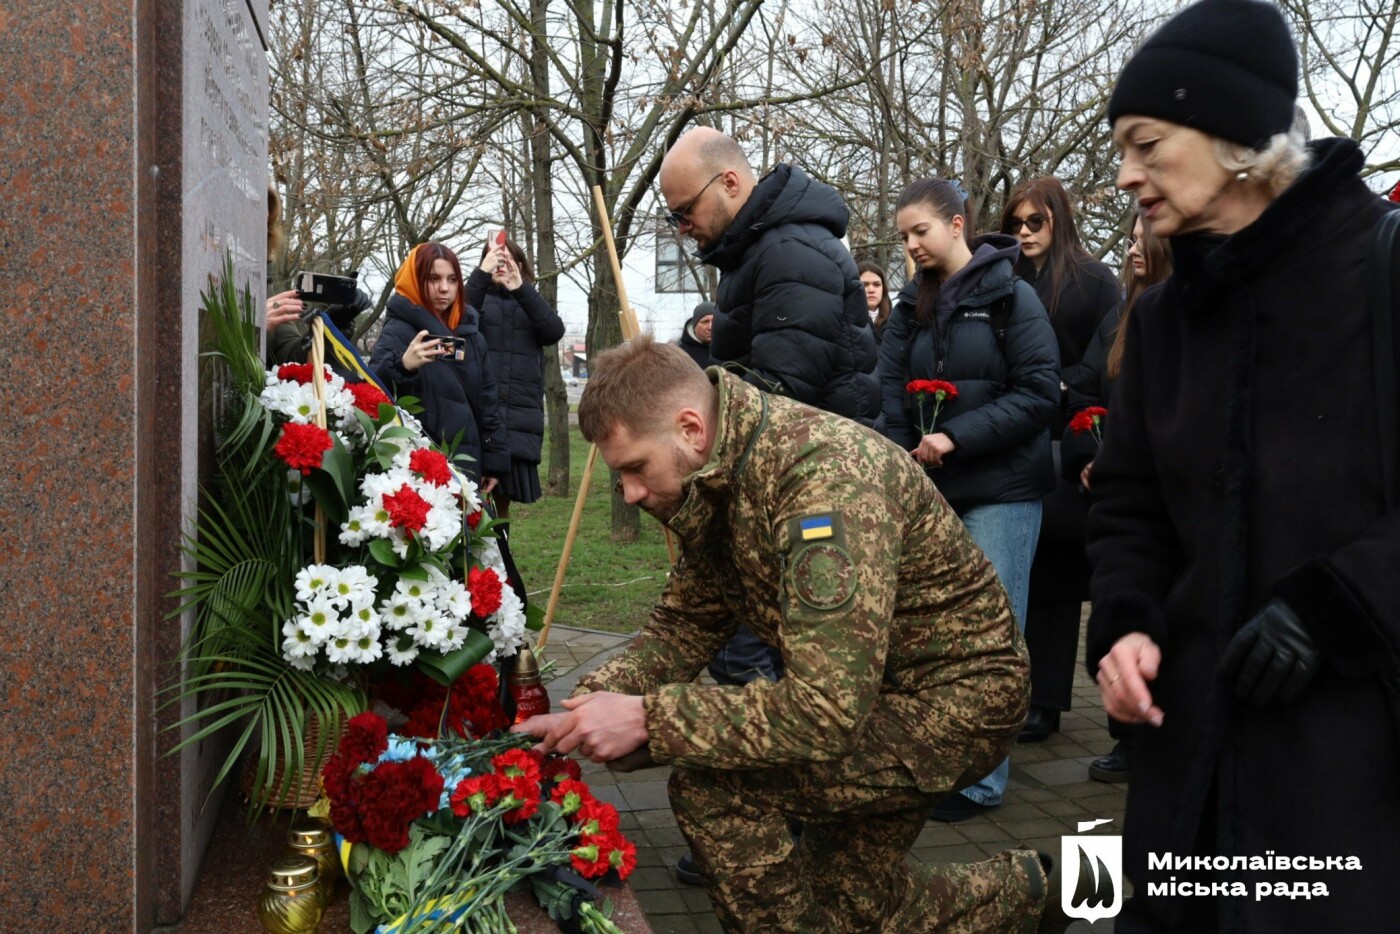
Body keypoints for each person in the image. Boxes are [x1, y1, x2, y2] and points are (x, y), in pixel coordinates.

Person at [514, 334, 1056, 932]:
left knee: (717, 789)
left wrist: (650, 719)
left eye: (636, 468)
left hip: (955, 703)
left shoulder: (823, 486)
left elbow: (825, 710)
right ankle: (1041, 890)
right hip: (877, 695)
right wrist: (586, 705)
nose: (632, 493)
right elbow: (684, 625)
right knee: (853, 907)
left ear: (691, 428)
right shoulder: (718, 473)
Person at [1092, 0, 1399, 929]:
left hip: (1346, 761)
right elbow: (1131, 503)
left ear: (1235, 137)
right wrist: (1126, 625)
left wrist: (1337, 608)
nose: (1125, 174)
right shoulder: (1161, 316)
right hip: (1183, 757)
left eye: (1146, 143)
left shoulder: (1381, 272)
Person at [878, 177, 1060, 821]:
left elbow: (1040, 395)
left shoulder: (1013, 295)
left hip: (1003, 492)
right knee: (934, 640)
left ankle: (981, 780)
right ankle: (937, 762)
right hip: (931, 497)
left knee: (991, 640)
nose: (911, 246)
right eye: (903, 236)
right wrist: (898, 454)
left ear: (958, 225)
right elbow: (888, 392)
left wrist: (954, 436)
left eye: (920, 232)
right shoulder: (909, 305)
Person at [1001, 178, 1123, 744]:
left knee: (1086, 576)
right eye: (1017, 222)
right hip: (1020, 441)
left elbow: (1106, 364)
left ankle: (1107, 714)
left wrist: (1056, 390)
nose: (1023, 232)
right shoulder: (1003, 277)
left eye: (1035, 222)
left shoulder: (1097, 281)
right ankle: (1039, 701)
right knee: (1043, 580)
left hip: (1074, 442)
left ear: (1059, 220)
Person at [658, 126, 880, 426]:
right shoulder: (755, 252)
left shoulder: (790, 253)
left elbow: (780, 395)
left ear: (730, 183)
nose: (682, 228)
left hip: (819, 463)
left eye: (686, 210)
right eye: (675, 217)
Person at [1062, 213, 1171, 783]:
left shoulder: (1180, 316)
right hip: (1115, 492)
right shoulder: (1118, 318)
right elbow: (1083, 389)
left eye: (1140, 238)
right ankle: (1124, 738)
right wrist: (1088, 453)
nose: (1131, 248)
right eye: (1127, 239)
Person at [370, 242, 507, 490]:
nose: (444, 288)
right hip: (418, 470)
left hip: (468, 468)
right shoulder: (399, 331)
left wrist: (494, 461)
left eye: (452, 279)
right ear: (415, 280)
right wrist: (402, 366)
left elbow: (487, 402)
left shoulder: (472, 334)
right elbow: (370, 394)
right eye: (434, 278)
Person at [467, 233, 565, 518]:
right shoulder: (476, 298)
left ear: (520, 264)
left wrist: (521, 288)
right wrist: (481, 277)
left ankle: (502, 559)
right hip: (480, 415)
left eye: (507, 260)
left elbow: (553, 331)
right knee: (471, 497)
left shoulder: (529, 300)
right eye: (495, 260)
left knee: (503, 502)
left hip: (518, 420)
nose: (501, 267)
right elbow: (455, 319)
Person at [858, 260, 891, 343]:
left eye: (876, 284)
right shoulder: (845, 322)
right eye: (864, 285)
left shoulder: (897, 320)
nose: (871, 290)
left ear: (884, 289)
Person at [676, 301, 716, 368]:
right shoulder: (680, 354)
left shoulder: (728, 351)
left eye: (715, 321)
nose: (710, 327)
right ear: (694, 326)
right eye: (705, 322)